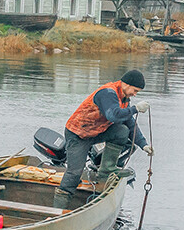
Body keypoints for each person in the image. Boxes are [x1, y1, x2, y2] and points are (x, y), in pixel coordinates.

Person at [53, 69, 152, 210]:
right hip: (78, 135)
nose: (134, 94)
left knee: (122, 131)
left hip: (95, 132)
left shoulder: (124, 98)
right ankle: (57, 209)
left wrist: (144, 145)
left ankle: (106, 169)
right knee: (74, 173)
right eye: (135, 90)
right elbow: (113, 115)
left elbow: (129, 123)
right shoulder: (107, 93)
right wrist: (135, 109)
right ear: (126, 84)